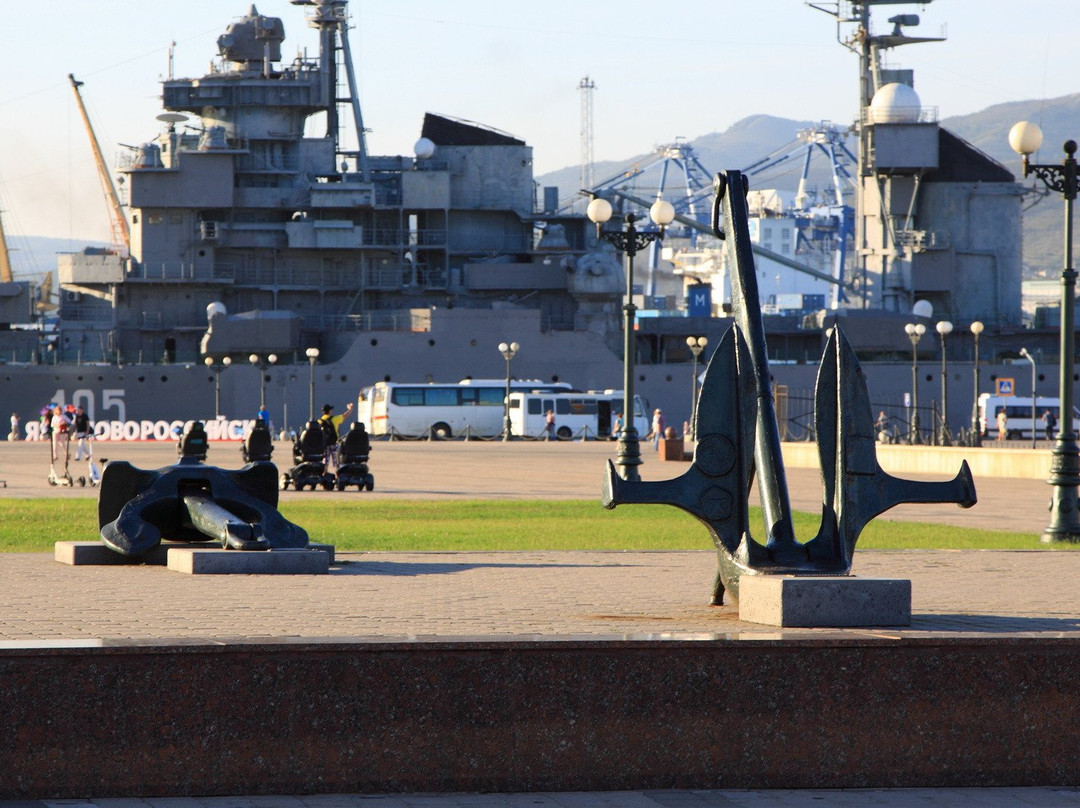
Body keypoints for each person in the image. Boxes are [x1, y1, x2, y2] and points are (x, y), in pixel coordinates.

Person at [319, 401, 354, 469]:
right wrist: (350, 409)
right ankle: (337, 475)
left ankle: (324, 474)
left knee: (325, 463)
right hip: (334, 443)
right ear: (329, 411)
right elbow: (344, 416)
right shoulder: (334, 419)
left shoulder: (319, 421)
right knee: (337, 463)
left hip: (325, 445)